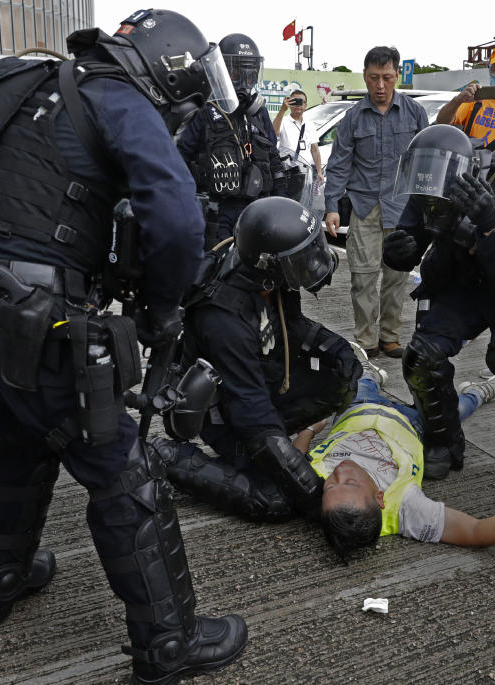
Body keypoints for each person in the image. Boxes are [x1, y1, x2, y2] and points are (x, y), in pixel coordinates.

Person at [0, 9, 249, 683]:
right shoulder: (120, 98)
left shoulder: (24, 79)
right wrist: (168, 304)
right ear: (168, 68)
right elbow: (174, 218)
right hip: (41, 316)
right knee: (122, 469)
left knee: (23, 439)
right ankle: (168, 644)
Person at [151, 197, 362, 521]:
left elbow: (287, 325)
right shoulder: (223, 318)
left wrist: (334, 350)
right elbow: (253, 415)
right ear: (268, 266)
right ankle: (166, 456)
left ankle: (280, 437)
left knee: (340, 371)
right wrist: (315, 499)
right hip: (223, 410)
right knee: (275, 501)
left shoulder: (264, 274)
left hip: (260, 370)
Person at [382, 124, 495, 477]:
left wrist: (488, 223)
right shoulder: (427, 184)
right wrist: (397, 252)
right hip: (461, 283)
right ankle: (442, 438)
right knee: (421, 356)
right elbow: (410, 241)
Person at [292, 365, 495, 560]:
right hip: (413, 425)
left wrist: (308, 429)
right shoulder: (404, 508)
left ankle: (370, 374)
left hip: (358, 408)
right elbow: (476, 533)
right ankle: (481, 392)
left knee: (356, 380)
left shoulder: (314, 491)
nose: (340, 473)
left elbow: (296, 458)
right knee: (455, 409)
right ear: (379, 498)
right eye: (350, 482)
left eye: (331, 485)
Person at [323, 45, 429, 359]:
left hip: (402, 210)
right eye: (372, 78)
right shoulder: (353, 117)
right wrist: (331, 205)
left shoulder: (414, 112)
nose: (379, 86)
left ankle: (390, 337)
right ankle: (366, 339)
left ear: (397, 75)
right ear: (365, 77)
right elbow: (339, 163)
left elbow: (425, 160)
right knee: (363, 277)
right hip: (364, 208)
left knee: (397, 277)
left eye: (386, 77)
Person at [177, 32, 287, 243]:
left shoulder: (259, 112)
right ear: (223, 72)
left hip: (258, 211)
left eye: (249, 74)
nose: (244, 82)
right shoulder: (204, 111)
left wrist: (282, 204)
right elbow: (180, 160)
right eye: (236, 73)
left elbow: (273, 158)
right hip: (217, 212)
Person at [436, 45, 495, 152]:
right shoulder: (475, 98)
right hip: (473, 165)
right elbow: (442, 122)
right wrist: (458, 100)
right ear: (489, 70)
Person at [273, 89, 324, 204]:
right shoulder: (284, 121)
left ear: (306, 105)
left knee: (305, 205)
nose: (298, 105)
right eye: (294, 101)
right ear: (289, 103)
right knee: (287, 205)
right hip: (288, 173)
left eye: (301, 102)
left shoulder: (310, 125)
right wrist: (282, 110)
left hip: (306, 175)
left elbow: (314, 149)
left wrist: (319, 171)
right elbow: (273, 133)